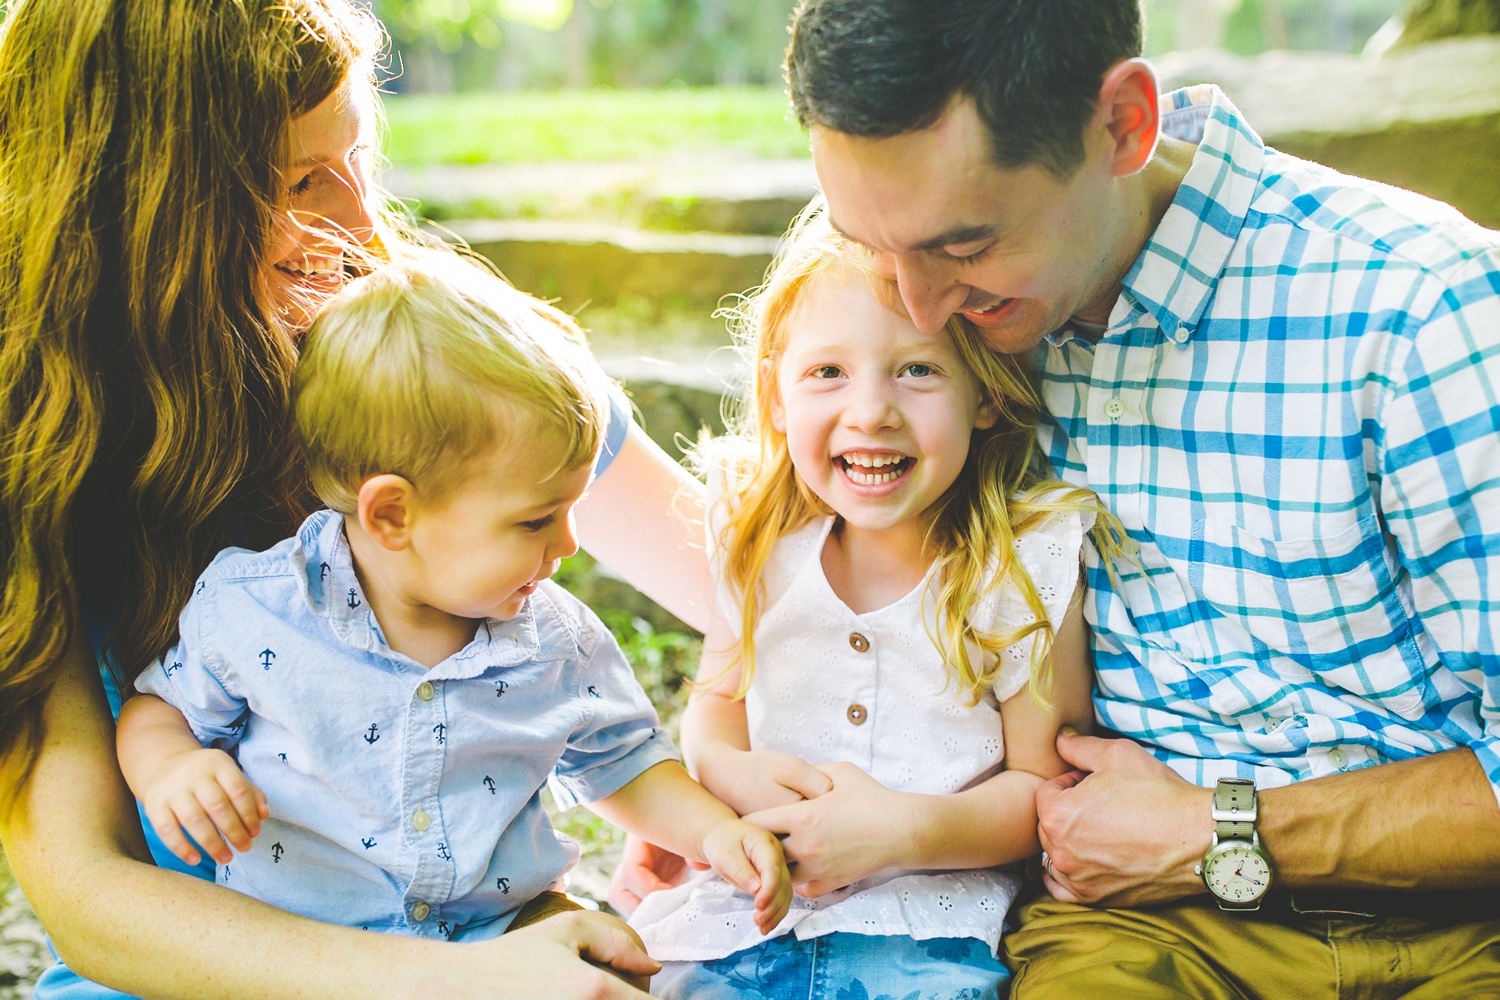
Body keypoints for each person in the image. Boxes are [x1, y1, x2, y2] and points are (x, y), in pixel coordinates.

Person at [615, 0, 1500, 995]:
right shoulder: (945, 319)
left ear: (1123, 125)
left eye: (962, 246)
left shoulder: (1426, 313)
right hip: (1145, 935)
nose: (917, 309)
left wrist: (1221, 830)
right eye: (869, 240)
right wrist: (726, 805)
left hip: (1460, 919)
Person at [0, 1, 710, 996]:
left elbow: (742, 580)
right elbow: (88, 891)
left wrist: (713, 789)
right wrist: (451, 983)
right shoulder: (33, 449)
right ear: (151, 212)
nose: (365, 228)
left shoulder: (435, 363)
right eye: (300, 183)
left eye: (359, 160)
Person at [112, 255, 791, 951]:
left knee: (609, 961)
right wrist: (171, 766)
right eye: (536, 520)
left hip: (499, 936)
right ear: (393, 516)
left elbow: (624, 761)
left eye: (570, 509)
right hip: (305, 952)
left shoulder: (556, 638)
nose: (570, 542)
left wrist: (713, 831)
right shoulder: (257, 612)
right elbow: (157, 709)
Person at [626, 207, 1114, 998]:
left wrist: (902, 832)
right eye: (828, 373)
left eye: (918, 370)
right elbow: (716, 707)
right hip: (743, 921)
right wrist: (727, 771)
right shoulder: (756, 541)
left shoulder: (1021, 566)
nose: (871, 411)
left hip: (924, 936)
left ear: (986, 396)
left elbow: (1044, 794)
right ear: (777, 398)